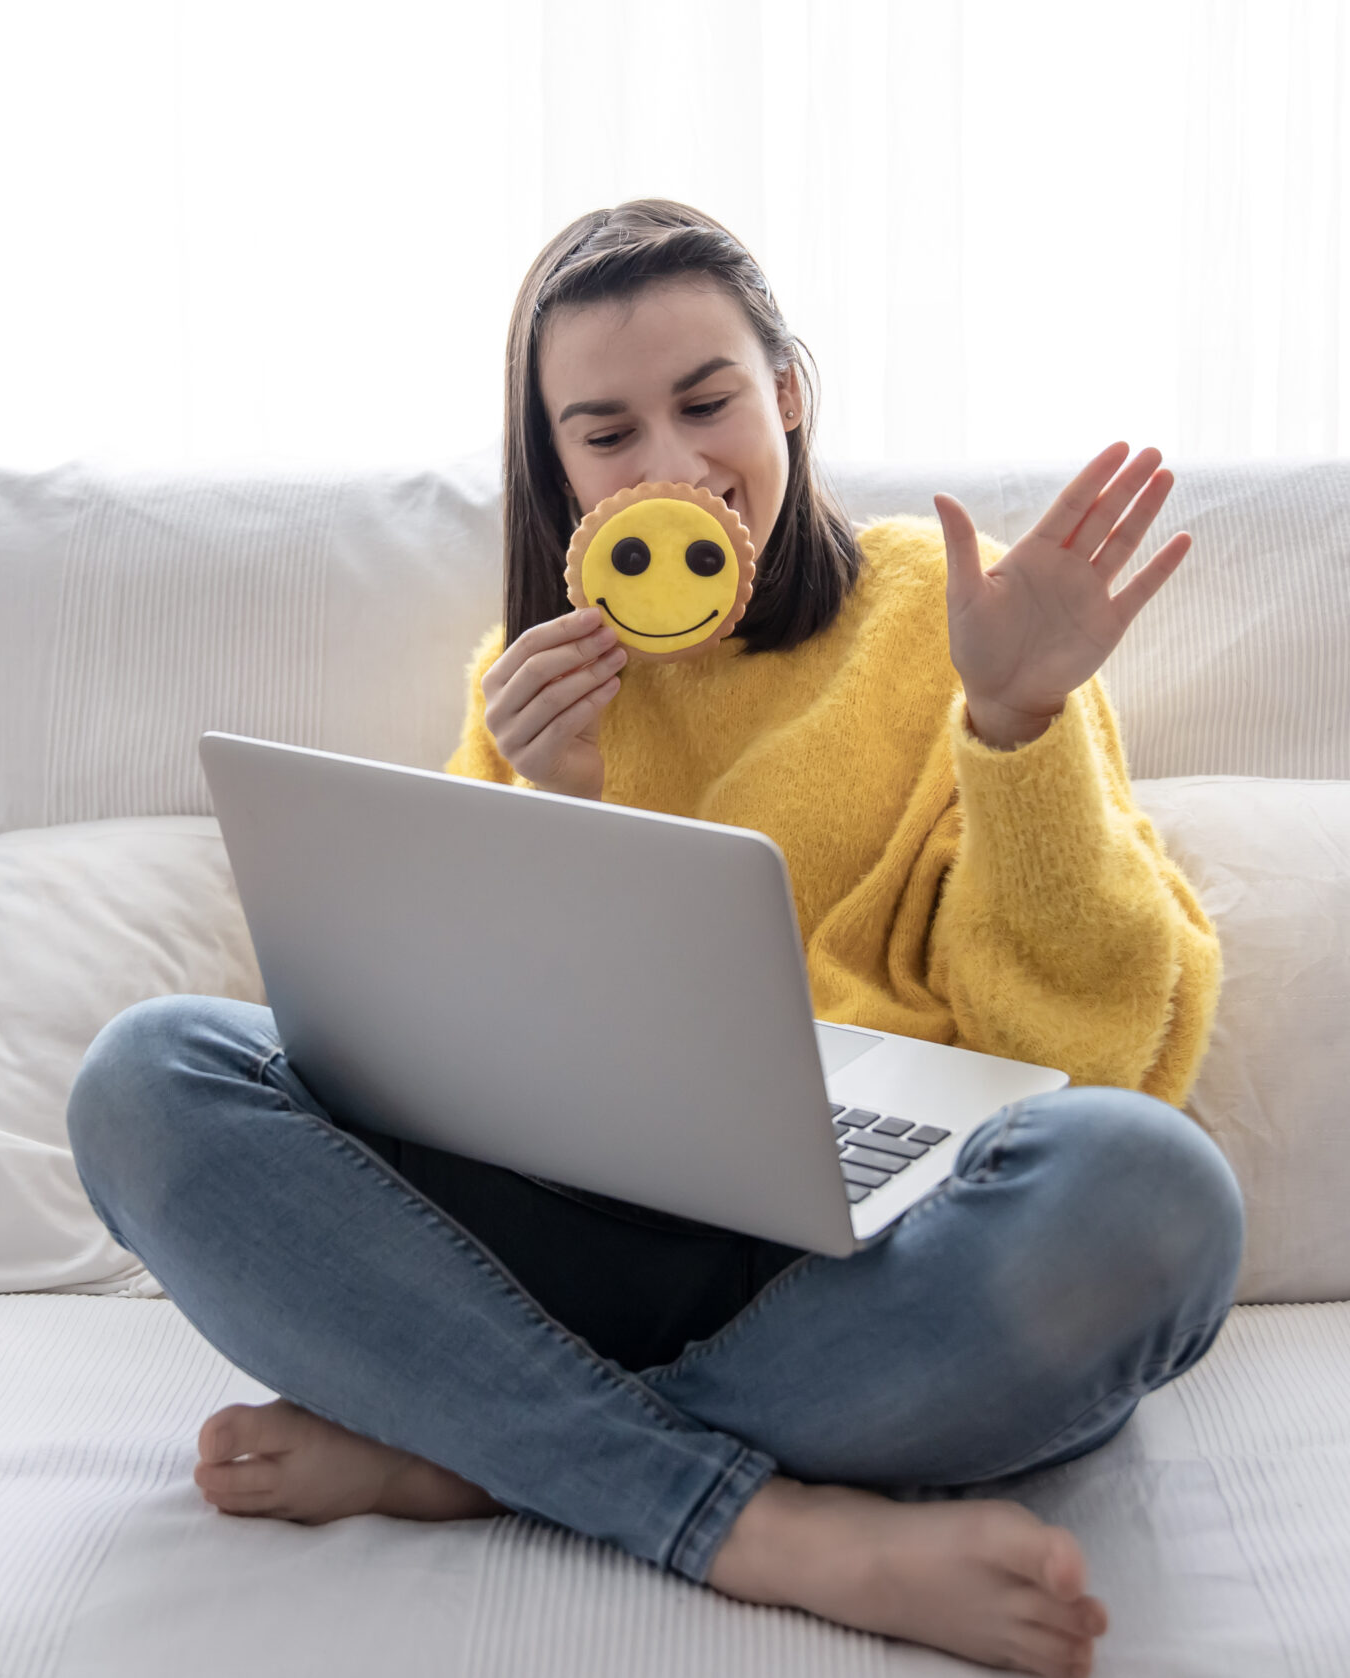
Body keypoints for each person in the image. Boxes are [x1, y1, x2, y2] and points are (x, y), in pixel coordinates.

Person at [67, 199, 1242, 1678]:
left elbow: (1077, 1052)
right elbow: (430, 1060)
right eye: (609, 433)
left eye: (710, 404)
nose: (677, 468)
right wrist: (558, 800)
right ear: (558, 466)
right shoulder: (529, 681)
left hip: (856, 1270)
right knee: (145, 1074)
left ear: (789, 398)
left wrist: (1015, 722)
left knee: (1153, 1196)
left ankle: (478, 1448)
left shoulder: (959, 624)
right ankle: (760, 1525)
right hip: (552, 1230)